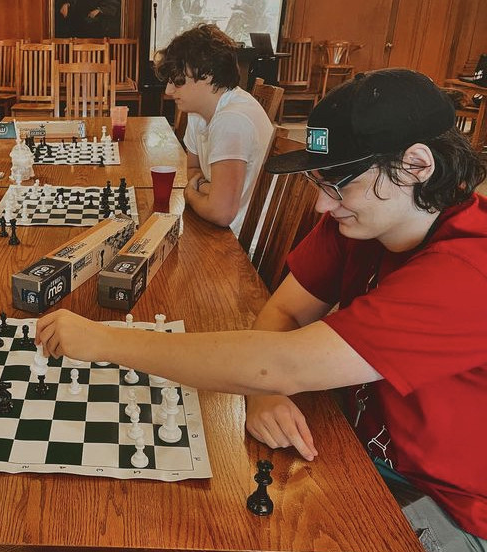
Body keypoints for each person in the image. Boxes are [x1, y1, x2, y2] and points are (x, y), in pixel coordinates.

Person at [36, 69, 487, 549]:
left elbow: (282, 363)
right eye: (319, 182)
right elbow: (284, 315)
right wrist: (262, 393)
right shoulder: (361, 221)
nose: (320, 205)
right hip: (348, 447)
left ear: (417, 165)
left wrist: (106, 340)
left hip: (443, 506)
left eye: (337, 184)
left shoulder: (468, 270)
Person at [154, 24, 273, 239]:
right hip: (217, 229)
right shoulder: (199, 113)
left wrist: (191, 193)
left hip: (240, 244)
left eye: (178, 81)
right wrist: (209, 191)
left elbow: (221, 212)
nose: (169, 91)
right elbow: (192, 167)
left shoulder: (231, 119)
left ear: (207, 75)